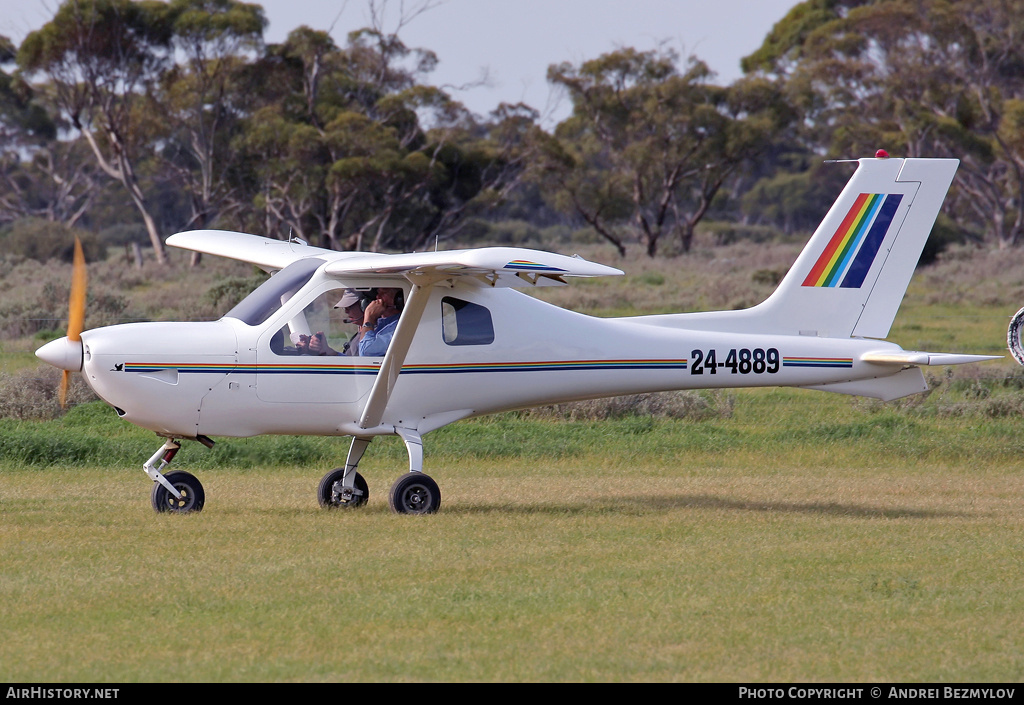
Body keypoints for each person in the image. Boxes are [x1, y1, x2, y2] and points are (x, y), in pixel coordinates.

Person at [358, 287, 402, 356]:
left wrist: (369, 317)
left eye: (383, 293)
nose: (378, 297)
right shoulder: (384, 323)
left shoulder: (401, 325)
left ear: (399, 298)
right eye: (378, 293)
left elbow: (366, 353)